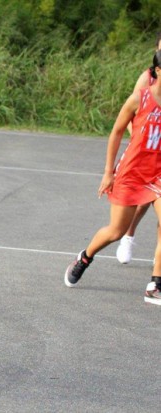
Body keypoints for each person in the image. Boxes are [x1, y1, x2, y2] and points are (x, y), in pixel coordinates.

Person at [64, 50, 161, 306]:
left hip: (159, 173)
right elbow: (117, 131)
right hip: (132, 172)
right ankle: (85, 257)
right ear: (158, 71)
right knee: (116, 231)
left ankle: (155, 285)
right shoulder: (139, 98)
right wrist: (108, 172)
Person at [115, 32, 161, 264]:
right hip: (145, 149)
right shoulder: (147, 78)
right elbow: (133, 114)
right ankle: (128, 235)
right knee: (142, 201)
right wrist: (140, 140)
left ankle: (158, 264)